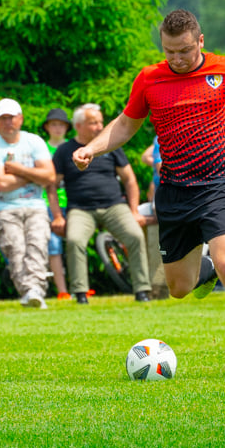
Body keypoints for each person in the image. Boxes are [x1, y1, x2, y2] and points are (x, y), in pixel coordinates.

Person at [72, 9, 225, 380]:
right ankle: (205, 272)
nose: (177, 59)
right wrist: (92, 148)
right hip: (173, 192)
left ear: (200, 41)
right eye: (169, 51)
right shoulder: (149, 79)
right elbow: (125, 124)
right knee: (178, 288)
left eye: (184, 51)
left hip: (219, 184)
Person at [51, 103, 152, 304]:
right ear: (79, 125)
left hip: (114, 206)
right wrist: (58, 216)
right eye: (93, 123)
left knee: (134, 235)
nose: (99, 127)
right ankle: (80, 293)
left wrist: (134, 210)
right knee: (75, 240)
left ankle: (142, 290)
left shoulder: (111, 147)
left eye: (100, 122)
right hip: (80, 209)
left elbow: (130, 179)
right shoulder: (64, 151)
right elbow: (52, 187)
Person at [0, 98, 56, 309]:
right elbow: (2, 184)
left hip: (35, 205)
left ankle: (34, 292)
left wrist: (18, 170)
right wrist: (34, 175)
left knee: (38, 244)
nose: (8, 122)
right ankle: (30, 291)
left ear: (20, 118)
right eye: (3, 118)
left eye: (11, 117)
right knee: (16, 249)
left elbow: (49, 176)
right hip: (4, 208)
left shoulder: (34, 142)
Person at [41, 108, 71, 300]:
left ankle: (79, 287)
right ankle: (62, 290)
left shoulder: (72, 147)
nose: (58, 128)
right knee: (54, 247)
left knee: (75, 244)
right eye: (54, 124)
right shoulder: (42, 148)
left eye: (61, 124)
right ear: (47, 127)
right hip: (48, 203)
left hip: (73, 200)